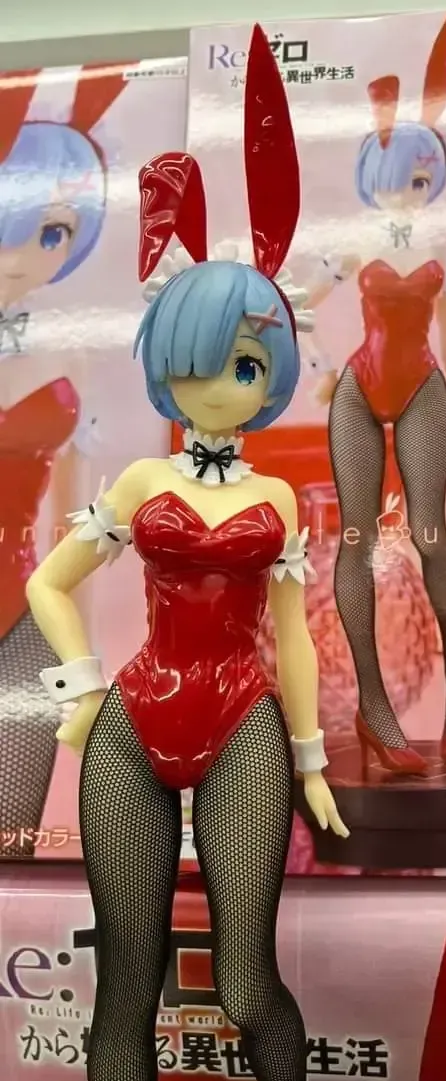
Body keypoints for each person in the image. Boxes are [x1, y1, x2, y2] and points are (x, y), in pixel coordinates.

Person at [25, 27, 347, 1081]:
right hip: (134, 718)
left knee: (247, 980)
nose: (223, 383)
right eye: (202, 360)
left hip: (243, 716)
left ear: (274, 371)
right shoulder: (138, 480)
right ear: (168, 362)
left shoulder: (278, 500)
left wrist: (310, 759)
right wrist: (80, 689)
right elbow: (49, 583)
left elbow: (292, 634)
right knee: (127, 980)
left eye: (248, 364)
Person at [307, 12, 446, 774]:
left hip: (422, 386)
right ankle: (373, 711)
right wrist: (317, 365)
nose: (405, 192)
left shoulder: (443, 242)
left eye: (416, 179)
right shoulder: (355, 241)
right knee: (354, 539)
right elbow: (296, 302)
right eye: (392, 178)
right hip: (359, 385)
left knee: (429, 534)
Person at [0, 63, 126, 856]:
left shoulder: (68, 352)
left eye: (52, 233)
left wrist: (87, 652)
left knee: (11, 827)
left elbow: (82, 528)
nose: (23, 256)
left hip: (27, 610)